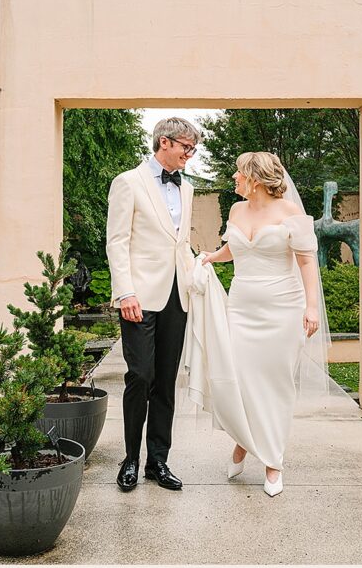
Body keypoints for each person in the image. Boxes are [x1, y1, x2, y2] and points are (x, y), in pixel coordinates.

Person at [188, 151, 325, 497]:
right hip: (242, 309)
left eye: (238, 174)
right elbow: (234, 249)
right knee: (240, 381)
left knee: (275, 385)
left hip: (282, 309)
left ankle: (273, 462)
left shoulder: (290, 213)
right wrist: (209, 257)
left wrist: (311, 307)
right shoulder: (236, 211)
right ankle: (243, 441)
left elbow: (307, 262)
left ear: (255, 178)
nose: (234, 178)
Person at [105, 117, 201, 492]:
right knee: (140, 376)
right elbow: (117, 242)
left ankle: (157, 461)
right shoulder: (128, 182)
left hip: (178, 296)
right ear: (165, 142)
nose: (189, 156)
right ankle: (130, 458)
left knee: (165, 382)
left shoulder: (187, 189)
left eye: (192, 149)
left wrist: (198, 270)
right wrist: (124, 292)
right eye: (186, 148)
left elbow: (179, 244)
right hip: (139, 297)